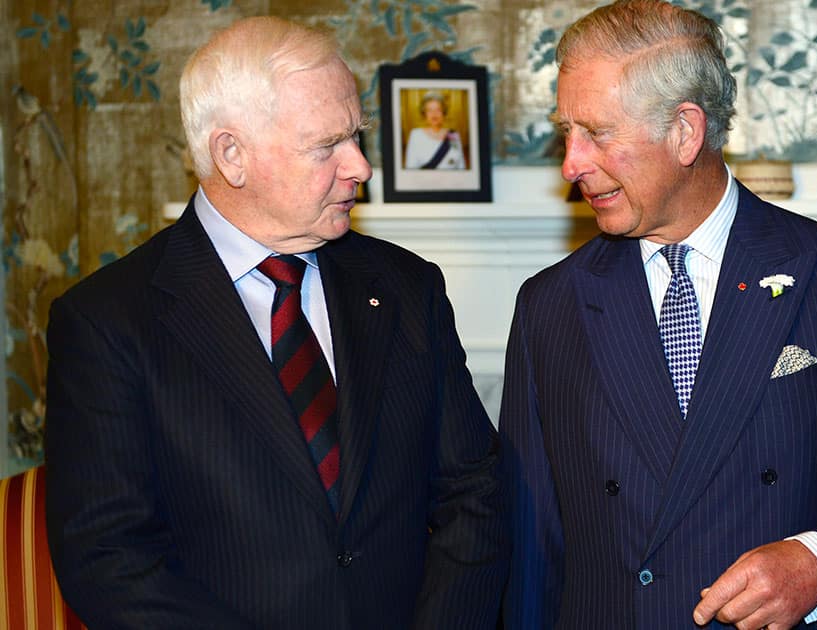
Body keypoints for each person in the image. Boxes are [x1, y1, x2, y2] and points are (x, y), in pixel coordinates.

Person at [499, 1, 817, 629]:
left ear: (685, 131)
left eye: (597, 133)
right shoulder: (550, 304)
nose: (571, 164)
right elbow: (528, 545)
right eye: (566, 132)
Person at [44, 16, 507, 629]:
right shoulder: (108, 321)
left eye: (358, 137)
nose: (362, 167)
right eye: (327, 146)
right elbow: (107, 557)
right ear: (231, 155)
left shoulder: (405, 287)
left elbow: (474, 490)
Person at [404, 91, 467, 169]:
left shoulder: (452, 135)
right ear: (424, 114)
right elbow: (410, 167)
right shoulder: (416, 135)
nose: (434, 114)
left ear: (443, 113)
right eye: (429, 110)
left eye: (438, 110)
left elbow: (460, 164)